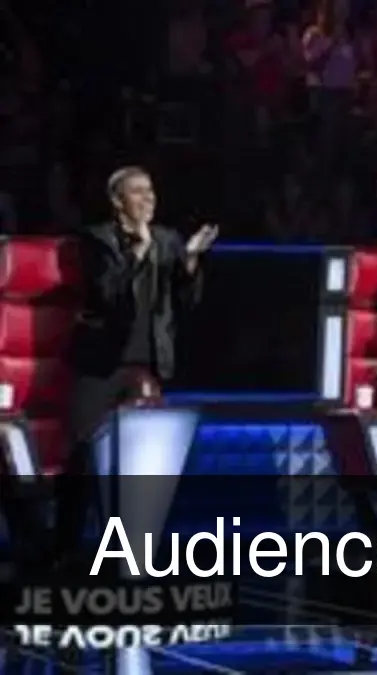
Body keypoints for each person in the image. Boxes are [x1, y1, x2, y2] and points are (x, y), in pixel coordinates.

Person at [56, 166, 219, 559]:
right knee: (82, 455)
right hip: (101, 362)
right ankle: (66, 549)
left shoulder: (167, 239)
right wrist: (138, 252)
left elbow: (185, 300)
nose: (148, 198)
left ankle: (129, 550)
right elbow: (107, 293)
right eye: (138, 192)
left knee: (139, 462)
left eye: (151, 191)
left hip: (146, 362)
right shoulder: (95, 239)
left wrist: (190, 261)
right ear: (117, 201)